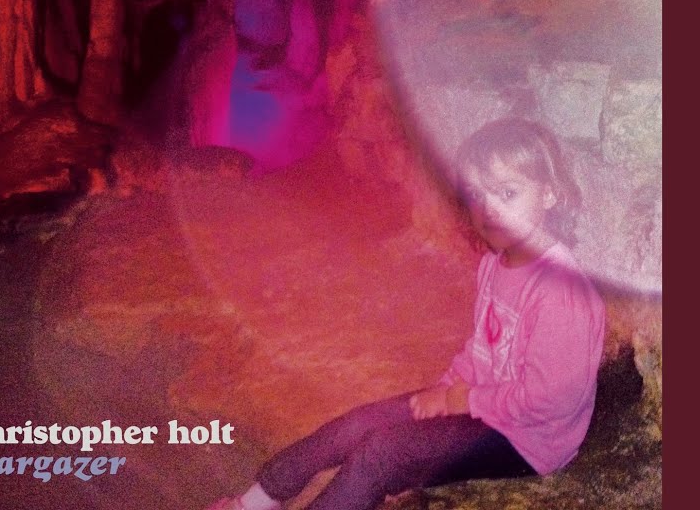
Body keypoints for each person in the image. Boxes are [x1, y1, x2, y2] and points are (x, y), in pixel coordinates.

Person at [205, 117, 606, 510]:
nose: (490, 210)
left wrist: (462, 399)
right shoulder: (494, 263)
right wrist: (445, 390)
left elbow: (551, 400)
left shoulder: (561, 292)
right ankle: (258, 498)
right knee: (361, 423)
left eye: (508, 193)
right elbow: (482, 347)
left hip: (527, 441)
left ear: (550, 194)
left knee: (383, 453)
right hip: (481, 405)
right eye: (478, 195)